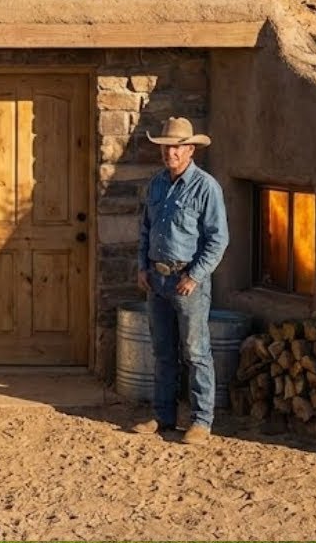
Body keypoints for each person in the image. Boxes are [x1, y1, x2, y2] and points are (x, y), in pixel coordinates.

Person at [132, 116, 229, 445]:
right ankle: (163, 416)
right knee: (163, 351)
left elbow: (218, 239)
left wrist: (195, 275)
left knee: (196, 351)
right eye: (166, 147)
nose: (170, 153)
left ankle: (202, 421)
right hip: (157, 279)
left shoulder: (206, 187)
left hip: (187, 280)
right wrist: (142, 266)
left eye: (176, 147)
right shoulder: (157, 184)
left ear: (190, 150)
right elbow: (145, 229)